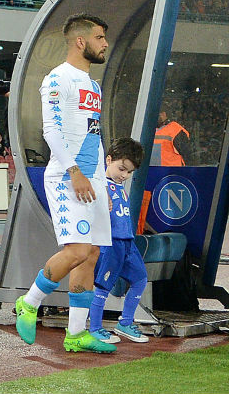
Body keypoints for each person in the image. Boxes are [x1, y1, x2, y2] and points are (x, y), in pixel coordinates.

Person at [14, 12, 116, 355]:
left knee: (93, 254)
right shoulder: (58, 79)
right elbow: (51, 131)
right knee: (76, 251)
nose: (105, 44)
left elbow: (92, 133)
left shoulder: (94, 85)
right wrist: (74, 171)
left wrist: (102, 181)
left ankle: (76, 334)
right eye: (100, 37)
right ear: (81, 41)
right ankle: (29, 302)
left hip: (93, 178)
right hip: (66, 176)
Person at [88, 137, 149, 344]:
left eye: (130, 172)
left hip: (127, 243)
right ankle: (95, 328)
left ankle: (125, 323)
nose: (125, 175)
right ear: (108, 160)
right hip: (110, 243)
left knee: (140, 279)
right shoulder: (98, 185)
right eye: (122, 169)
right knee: (103, 287)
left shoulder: (118, 186)